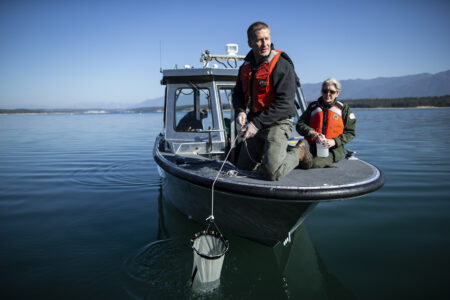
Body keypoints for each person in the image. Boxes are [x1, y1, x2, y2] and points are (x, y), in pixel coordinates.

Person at [232, 21, 312, 181]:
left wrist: (256, 124)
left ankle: (300, 152)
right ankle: (271, 153)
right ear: (250, 43)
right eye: (259, 40)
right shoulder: (244, 67)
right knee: (240, 169)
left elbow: (285, 104)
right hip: (256, 122)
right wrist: (240, 110)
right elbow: (238, 93)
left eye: (267, 39)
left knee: (271, 173)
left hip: (278, 122)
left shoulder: (282, 65)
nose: (264, 44)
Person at [296, 78, 356, 168]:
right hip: (311, 147)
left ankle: (303, 159)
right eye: (325, 91)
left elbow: (350, 133)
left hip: (333, 150)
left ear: (337, 93)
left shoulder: (344, 109)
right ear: (321, 92)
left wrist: (334, 141)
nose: (328, 94)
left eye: (332, 92)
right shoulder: (312, 107)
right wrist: (312, 133)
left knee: (314, 163)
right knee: (292, 156)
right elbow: (300, 124)